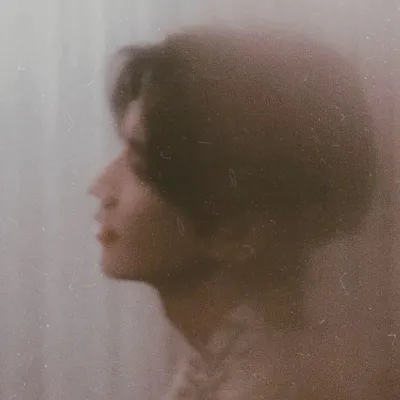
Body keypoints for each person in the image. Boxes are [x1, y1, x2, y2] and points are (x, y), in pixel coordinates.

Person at [89, 26, 378, 399]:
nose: (100, 187)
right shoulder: (225, 362)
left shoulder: (270, 386)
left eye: (139, 162)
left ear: (238, 228)